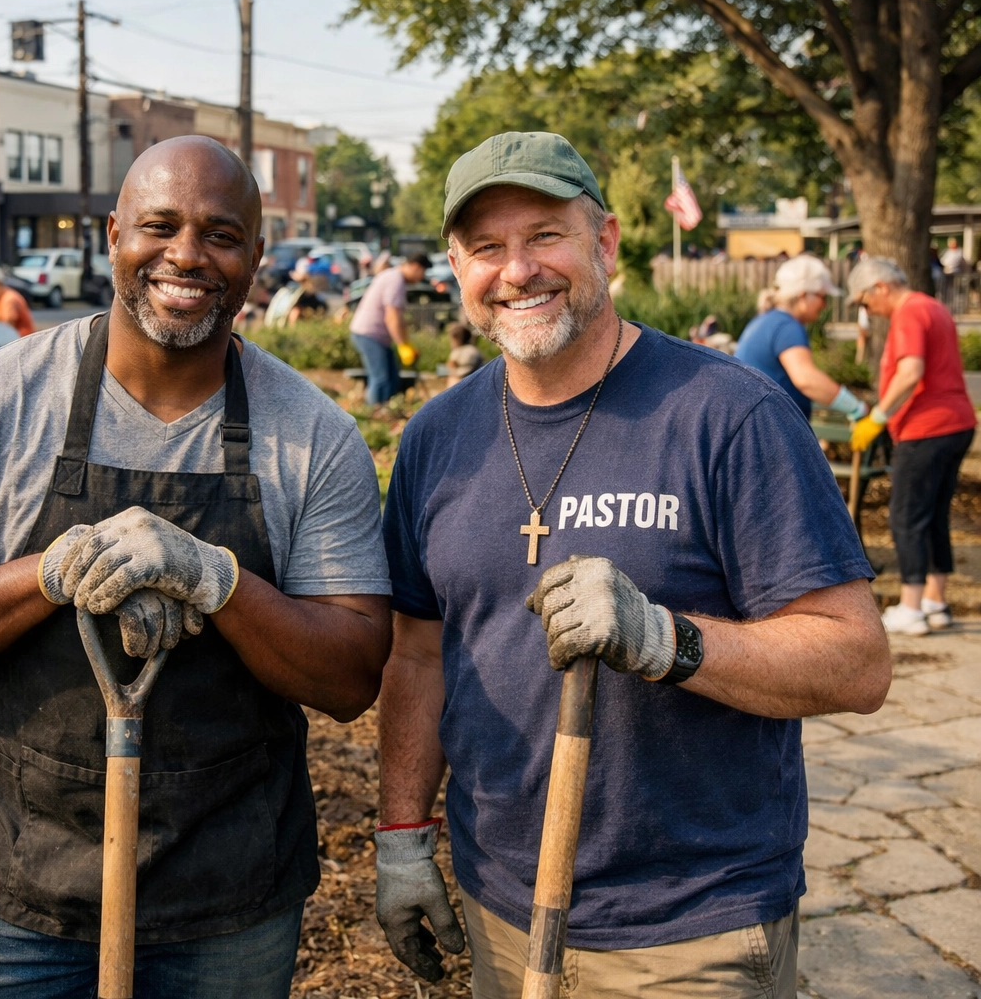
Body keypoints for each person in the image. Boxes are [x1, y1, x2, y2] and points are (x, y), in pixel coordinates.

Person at [0, 135, 391, 997]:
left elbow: (350, 676)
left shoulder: (311, 435)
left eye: (222, 234)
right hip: (9, 885)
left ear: (257, 256)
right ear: (112, 236)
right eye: (159, 225)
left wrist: (218, 581)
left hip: (226, 895)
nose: (186, 254)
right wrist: (46, 572)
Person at [374, 131, 889, 995]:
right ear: (457, 267)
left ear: (604, 240)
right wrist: (400, 836)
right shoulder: (437, 438)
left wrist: (668, 640)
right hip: (500, 906)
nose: (518, 270)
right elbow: (418, 652)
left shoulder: (729, 415)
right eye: (487, 248)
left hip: (692, 926)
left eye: (544, 235)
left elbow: (857, 662)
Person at [848, 257, 978, 635]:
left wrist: (879, 417)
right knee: (934, 515)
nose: (866, 310)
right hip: (957, 423)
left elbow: (911, 371)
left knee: (906, 516)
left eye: (864, 302)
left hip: (927, 428)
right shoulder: (934, 306)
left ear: (880, 288)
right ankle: (936, 601)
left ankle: (911, 606)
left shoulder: (909, 314)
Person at [735, 254, 868, 421]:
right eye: (822, 297)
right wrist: (856, 408)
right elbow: (806, 379)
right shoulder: (787, 327)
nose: (825, 305)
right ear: (803, 296)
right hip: (770, 426)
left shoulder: (766, 320)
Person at [349, 252, 429, 406]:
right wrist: (402, 346)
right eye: (422, 272)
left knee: (392, 377)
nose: (421, 278)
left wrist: (407, 345)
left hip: (374, 336)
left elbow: (399, 320)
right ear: (416, 267)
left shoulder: (393, 277)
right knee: (381, 379)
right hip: (368, 334)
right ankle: (374, 414)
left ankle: (386, 410)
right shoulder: (395, 280)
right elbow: (392, 318)